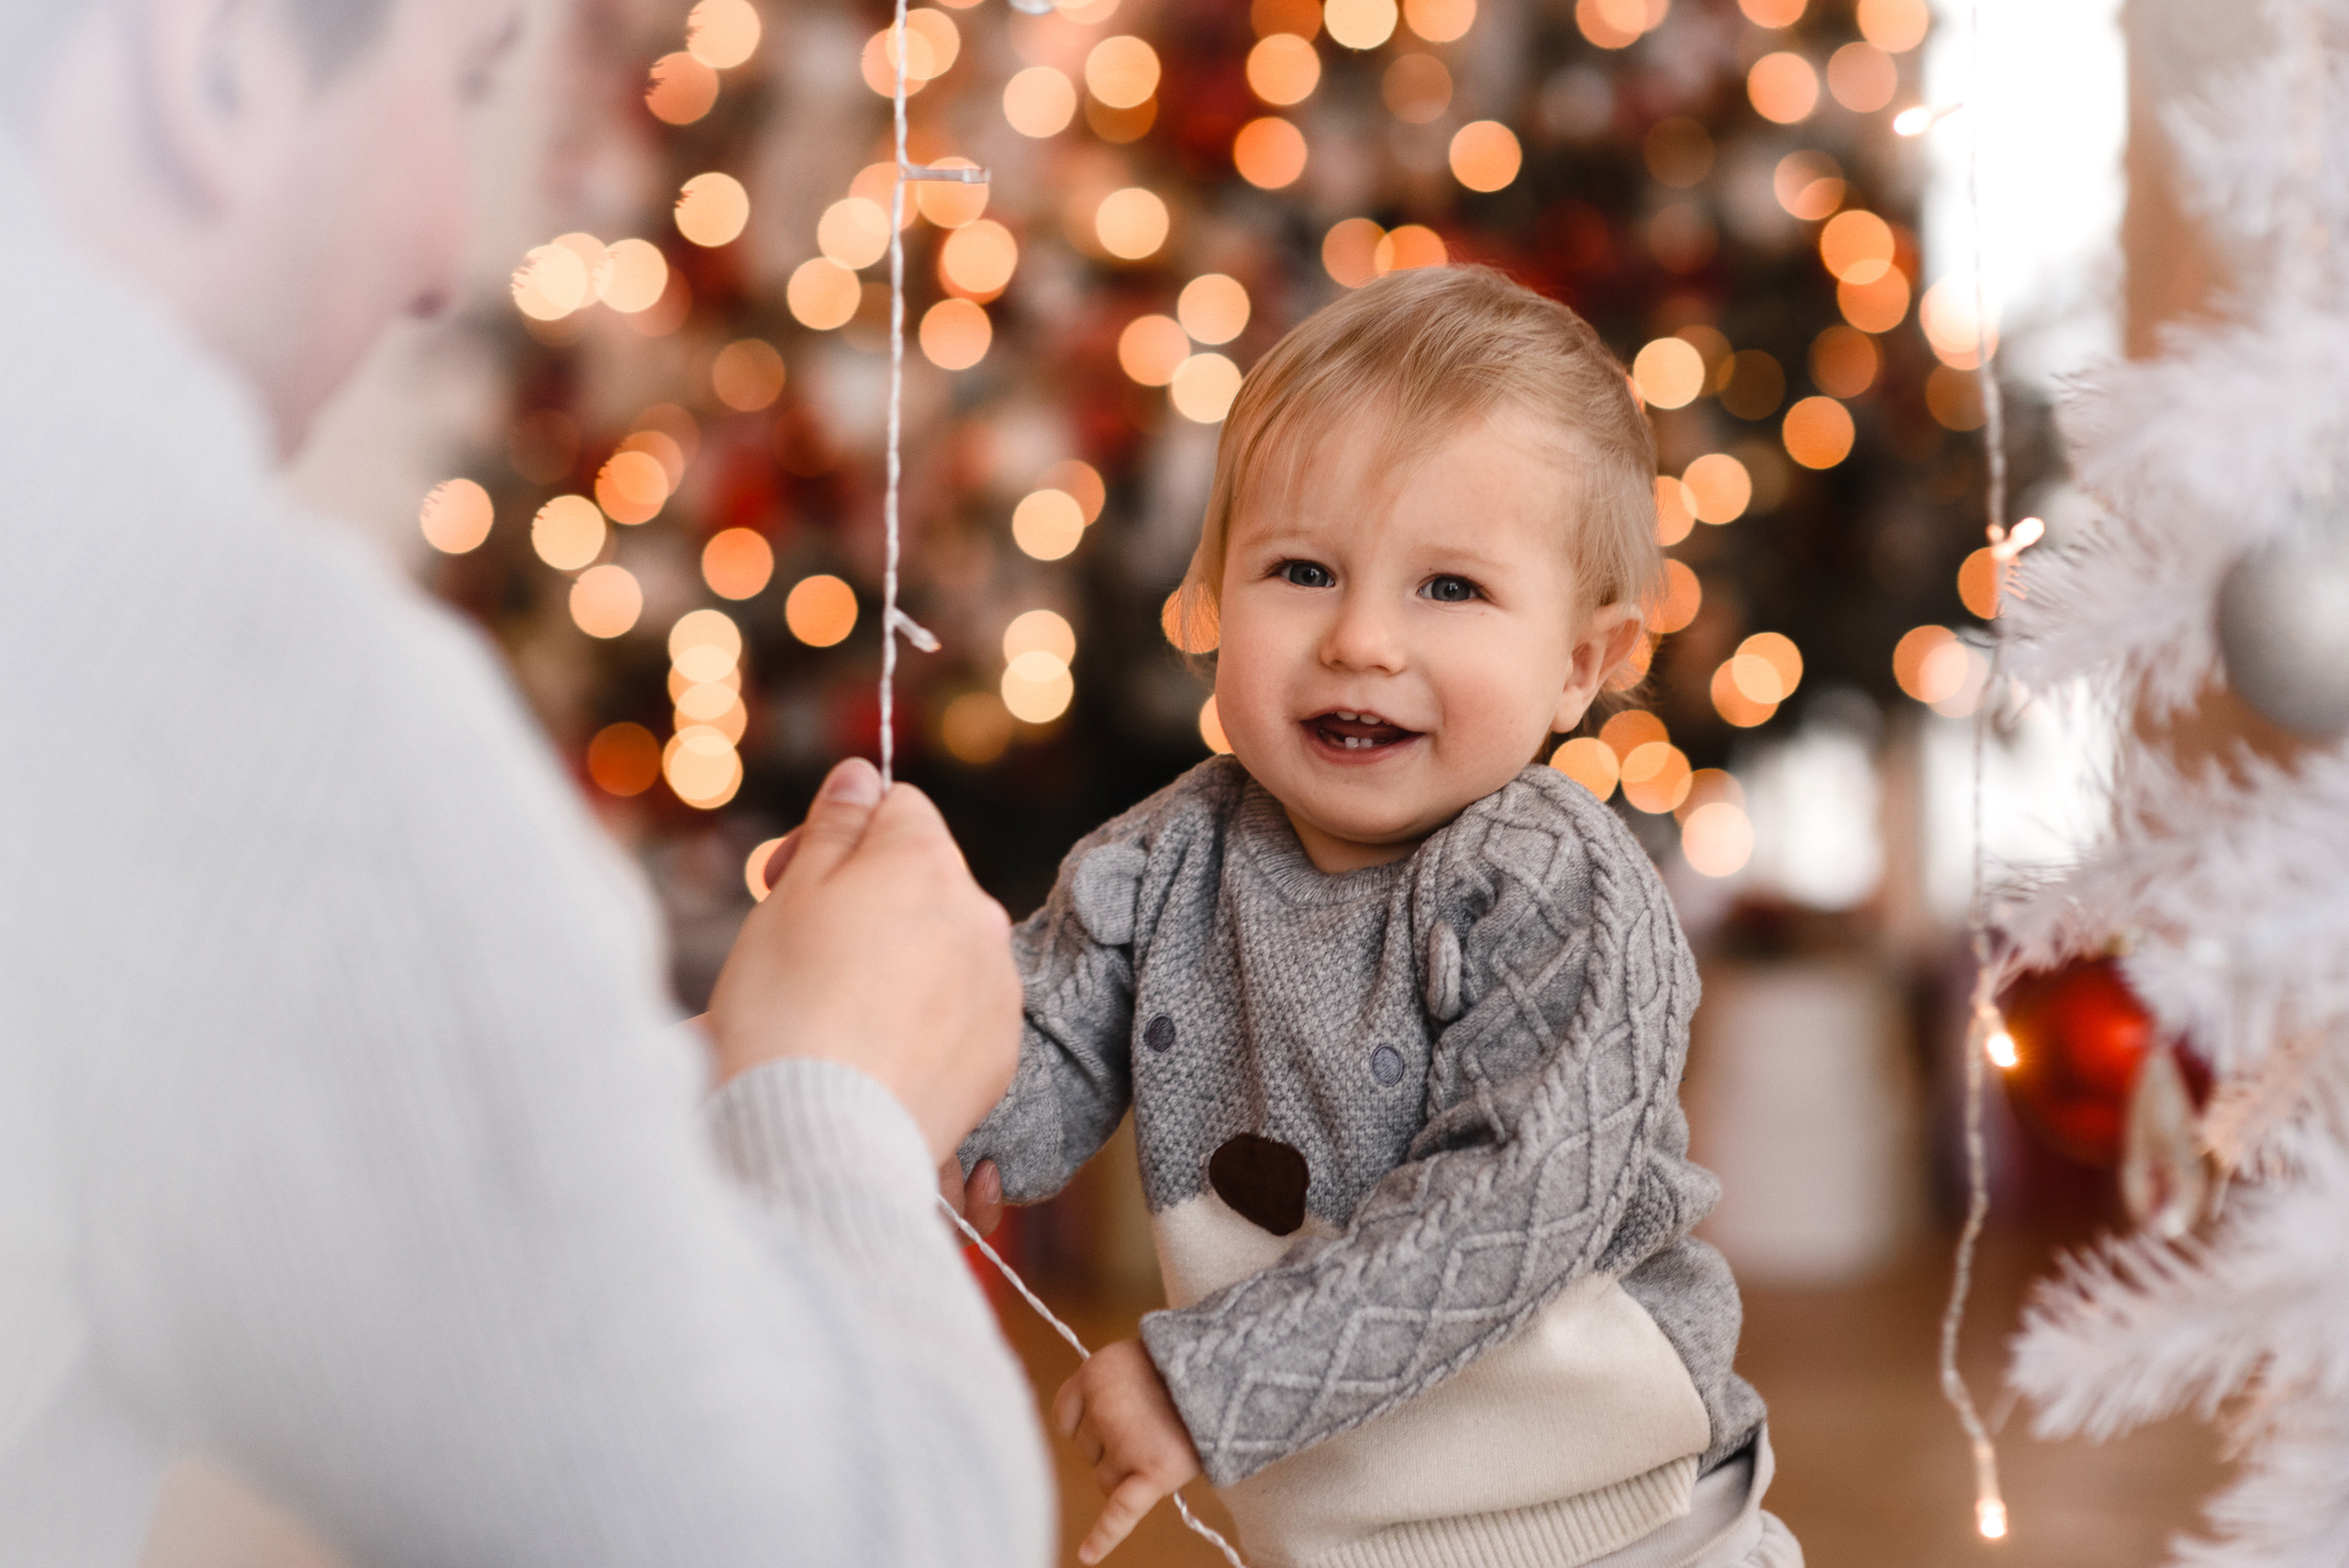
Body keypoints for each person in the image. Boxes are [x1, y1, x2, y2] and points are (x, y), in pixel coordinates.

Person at [0, 0, 1050, 1563]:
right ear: (215, 67)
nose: (442, 255)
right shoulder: (239, 686)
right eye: (466, 81)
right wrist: (845, 1105)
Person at [957, 267, 1800, 1568]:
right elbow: (1024, 1057)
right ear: (1205, 605)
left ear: (1581, 661)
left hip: (1616, 1520)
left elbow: (1510, 1201)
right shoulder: (1162, 855)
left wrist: (1206, 1382)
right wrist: (860, 1072)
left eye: (1448, 589)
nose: (1360, 639)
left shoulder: (1550, 885)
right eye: (1301, 569)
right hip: (1343, 1532)